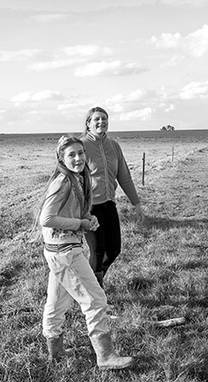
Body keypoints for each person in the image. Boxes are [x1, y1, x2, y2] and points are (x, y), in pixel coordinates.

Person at [37, 135, 134, 370]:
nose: (78, 158)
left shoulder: (74, 178)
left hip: (59, 250)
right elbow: (46, 218)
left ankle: (55, 351)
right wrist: (80, 224)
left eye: (81, 153)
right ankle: (105, 356)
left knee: (57, 302)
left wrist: (87, 219)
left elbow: (67, 213)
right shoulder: (63, 181)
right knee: (96, 300)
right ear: (61, 158)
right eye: (71, 155)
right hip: (65, 251)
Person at [81, 107, 144, 287]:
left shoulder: (114, 146)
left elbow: (124, 175)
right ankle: (95, 293)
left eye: (104, 119)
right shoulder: (82, 145)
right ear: (88, 123)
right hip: (89, 208)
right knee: (98, 250)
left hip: (109, 204)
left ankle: (90, 281)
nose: (101, 122)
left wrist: (136, 203)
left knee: (114, 249)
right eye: (97, 119)